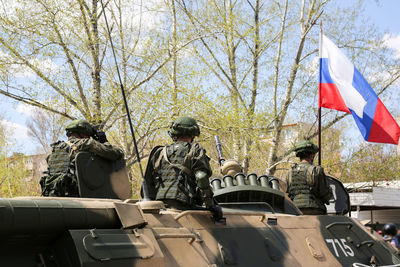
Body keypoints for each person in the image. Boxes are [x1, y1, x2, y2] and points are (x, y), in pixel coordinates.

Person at [144, 116, 222, 219]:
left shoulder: (160, 152)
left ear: (174, 134)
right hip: (183, 206)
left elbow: (148, 183)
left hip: (161, 205)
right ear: (193, 135)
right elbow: (201, 177)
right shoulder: (195, 150)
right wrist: (210, 205)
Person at [40, 119, 124, 197]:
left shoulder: (53, 150)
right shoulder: (86, 144)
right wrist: (104, 142)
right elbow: (117, 153)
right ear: (84, 134)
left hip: (54, 194)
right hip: (76, 194)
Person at [286, 140, 332, 215]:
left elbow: (288, 193)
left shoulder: (290, 172)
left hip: (295, 211)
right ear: (312, 155)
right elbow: (324, 193)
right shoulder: (316, 170)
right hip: (314, 210)